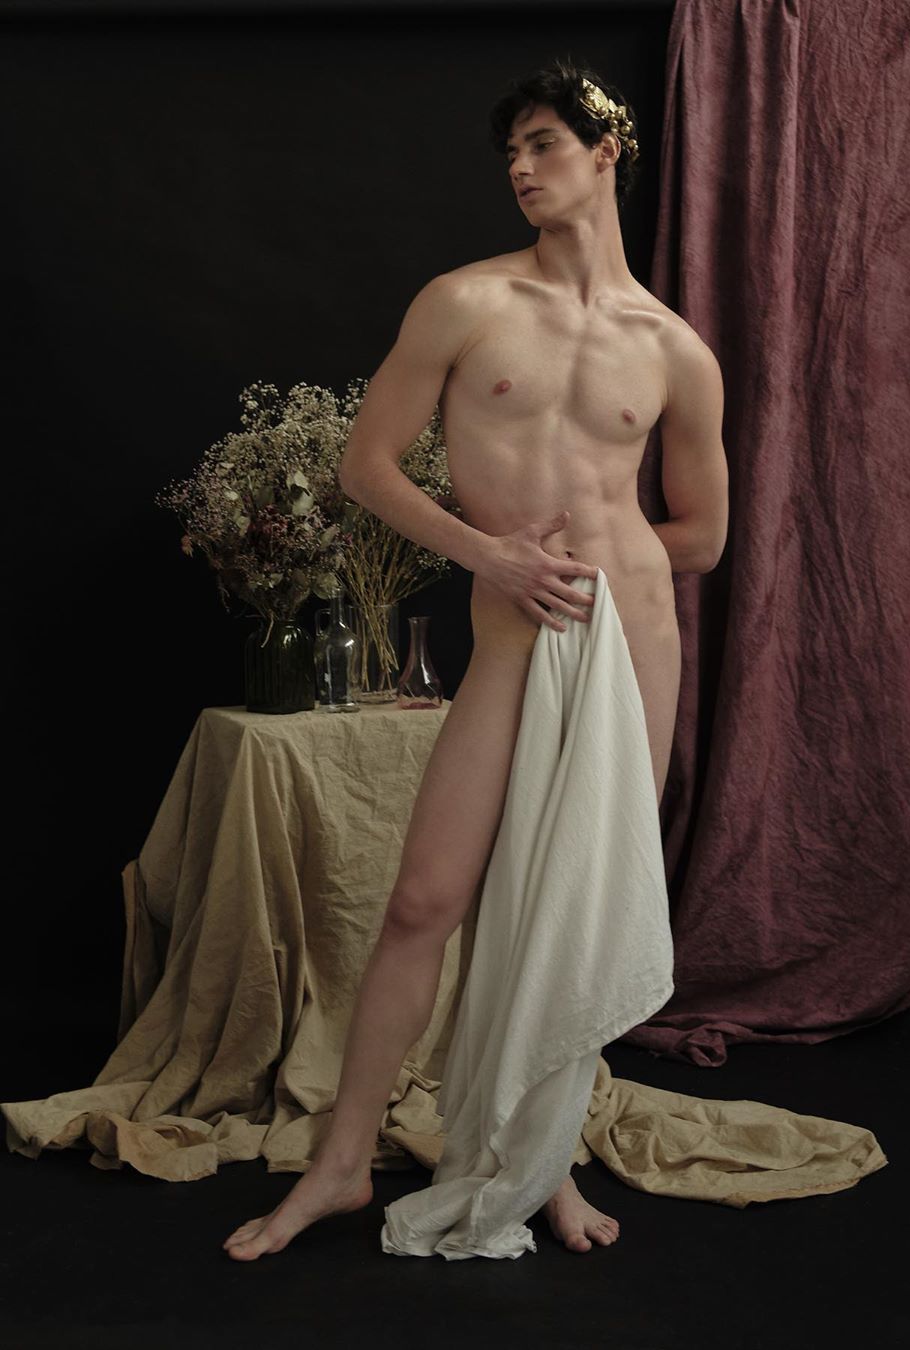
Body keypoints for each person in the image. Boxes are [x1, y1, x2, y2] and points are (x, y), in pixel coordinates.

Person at [223, 56, 728, 1262]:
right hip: (513, 629)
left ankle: (542, 1168)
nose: (520, 167)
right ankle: (342, 1165)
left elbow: (704, 536)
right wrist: (490, 557)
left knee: (579, 907)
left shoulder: (676, 348)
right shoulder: (465, 301)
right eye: (511, 152)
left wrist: (613, 563)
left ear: (606, 150)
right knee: (425, 901)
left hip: (631, 641)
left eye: (544, 143)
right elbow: (366, 468)